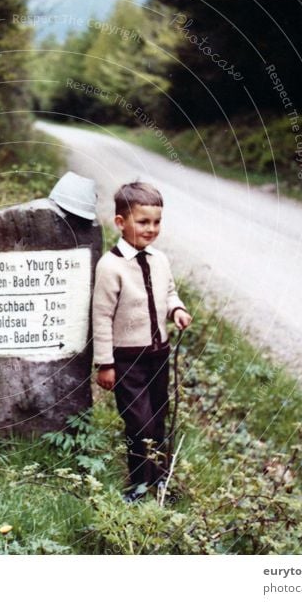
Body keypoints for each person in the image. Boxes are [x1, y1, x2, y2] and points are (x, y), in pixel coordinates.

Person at [92, 181, 192, 503]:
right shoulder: (111, 267)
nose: (151, 229)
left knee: (158, 415)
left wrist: (176, 308)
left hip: (157, 354)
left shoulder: (159, 259)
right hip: (126, 359)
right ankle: (138, 483)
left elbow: (169, 291)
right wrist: (106, 364)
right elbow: (102, 317)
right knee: (139, 421)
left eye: (157, 222)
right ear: (121, 222)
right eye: (143, 221)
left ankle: (159, 479)